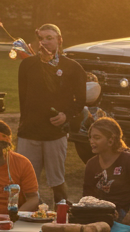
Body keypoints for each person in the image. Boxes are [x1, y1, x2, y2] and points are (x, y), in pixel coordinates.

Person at [17, 23, 84, 205]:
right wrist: (24, 124)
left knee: (57, 182)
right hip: (29, 133)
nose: (44, 42)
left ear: (59, 40)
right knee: (24, 183)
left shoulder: (72, 67)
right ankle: (28, 218)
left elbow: (80, 101)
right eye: (41, 38)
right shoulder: (27, 65)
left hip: (55, 133)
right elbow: (23, 99)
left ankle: (60, 217)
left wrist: (66, 115)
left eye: (49, 38)